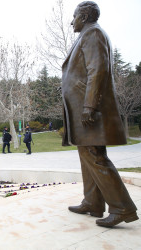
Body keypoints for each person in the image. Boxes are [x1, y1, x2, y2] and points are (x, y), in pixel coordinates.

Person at [63, 1, 138, 227]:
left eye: (74, 16)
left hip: (89, 110)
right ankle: (93, 202)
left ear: (84, 17)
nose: (71, 21)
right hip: (82, 108)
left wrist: (89, 106)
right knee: (87, 154)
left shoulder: (93, 33)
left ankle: (122, 208)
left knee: (94, 155)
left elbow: (98, 70)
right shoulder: (87, 35)